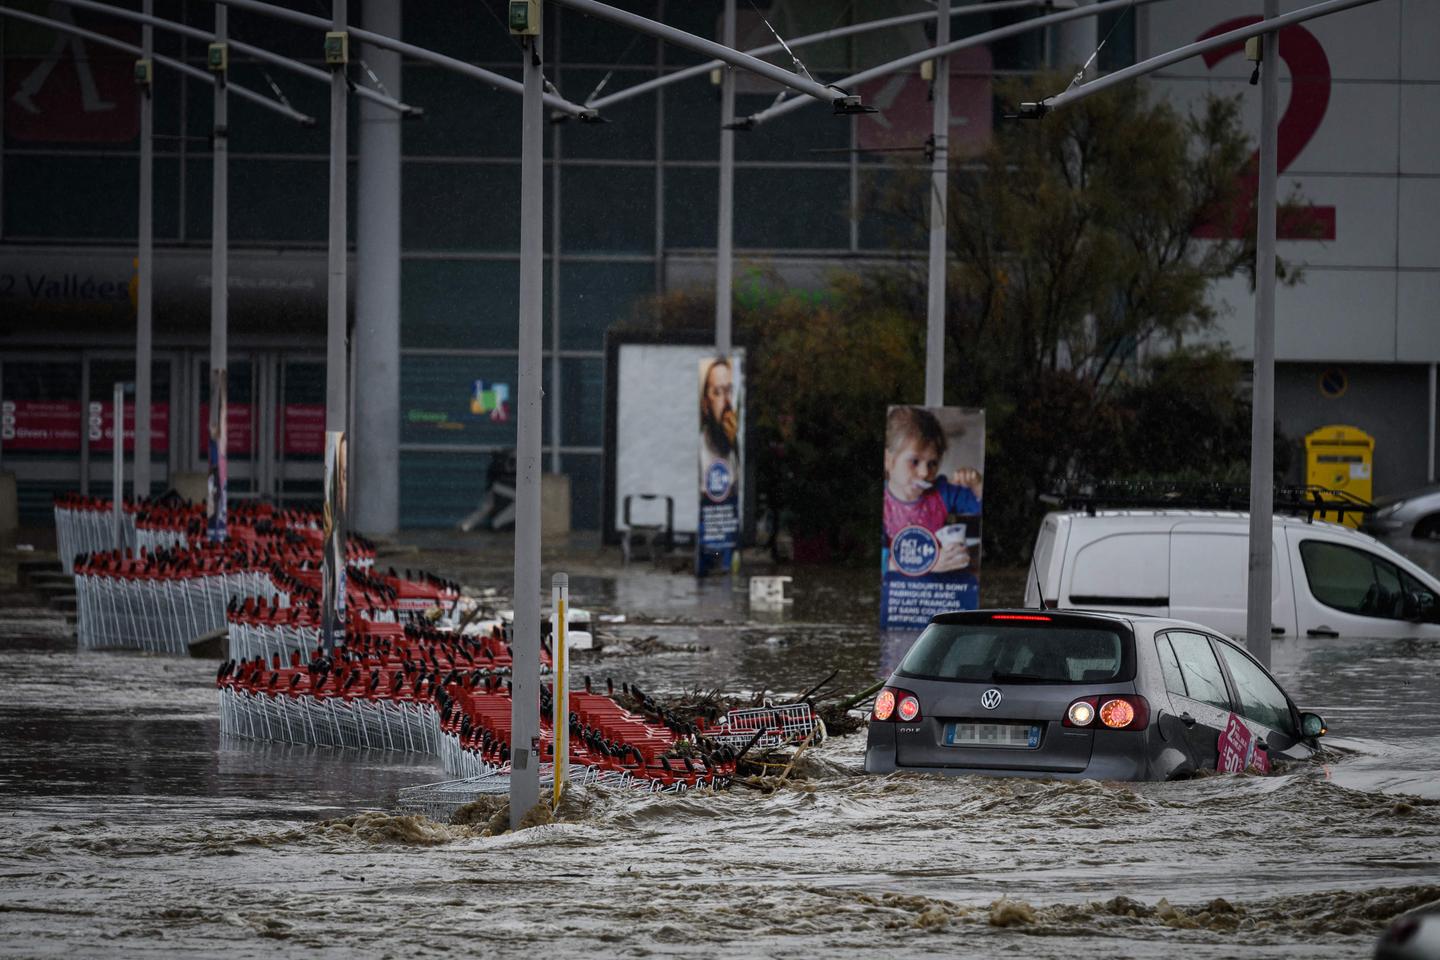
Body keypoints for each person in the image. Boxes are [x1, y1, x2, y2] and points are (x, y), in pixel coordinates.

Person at [883, 406, 982, 574]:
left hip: (940, 587)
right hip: (900, 592)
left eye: (932, 464)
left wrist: (977, 485)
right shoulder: (884, 504)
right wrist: (928, 564)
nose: (924, 473)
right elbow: (883, 564)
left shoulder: (942, 491)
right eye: (914, 461)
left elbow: (979, 506)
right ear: (889, 461)